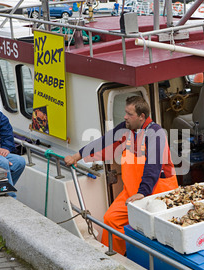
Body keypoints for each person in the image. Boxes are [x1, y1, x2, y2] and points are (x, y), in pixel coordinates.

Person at [64, 96, 178, 255]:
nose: (125, 117)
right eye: (125, 113)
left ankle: (138, 256)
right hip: (132, 192)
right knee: (111, 219)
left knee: (155, 232)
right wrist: (78, 155)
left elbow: (153, 166)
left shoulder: (155, 133)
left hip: (157, 194)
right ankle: (111, 259)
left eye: (129, 114)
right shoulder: (125, 129)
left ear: (141, 116)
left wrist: (142, 192)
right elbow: (103, 142)